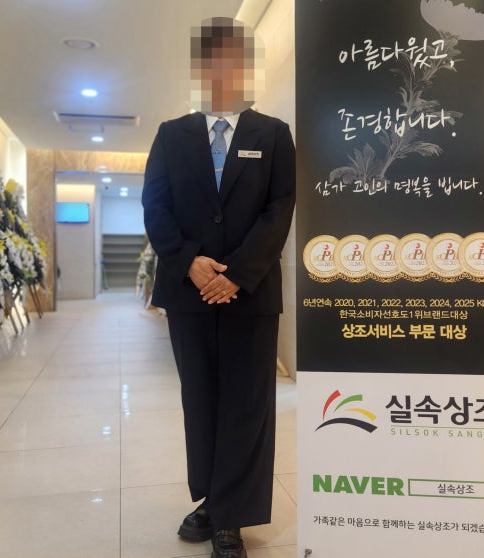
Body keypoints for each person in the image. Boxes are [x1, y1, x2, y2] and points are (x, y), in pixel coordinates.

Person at [141, 17, 295, 558]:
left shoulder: (273, 134)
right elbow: (155, 206)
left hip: (250, 294)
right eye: (212, 59)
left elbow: (280, 209)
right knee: (201, 401)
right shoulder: (171, 134)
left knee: (246, 405)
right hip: (188, 294)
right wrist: (189, 263)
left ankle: (231, 518)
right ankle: (212, 498)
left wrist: (236, 274)